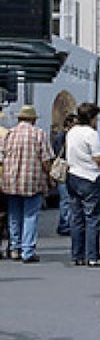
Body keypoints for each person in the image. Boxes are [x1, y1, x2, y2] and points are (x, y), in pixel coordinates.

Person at [0, 105, 56, 263]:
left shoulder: (9, 134)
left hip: (11, 181)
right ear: (32, 119)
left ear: (19, 118)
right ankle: (27, 251)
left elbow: (1, 158)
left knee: (14, 215)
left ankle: (15, 248)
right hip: (32, 181)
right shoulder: (38, 134)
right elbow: (46, 160)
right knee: (30, 215)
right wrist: (50, 177)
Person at [65, 103, 100, 267]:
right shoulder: (91, 134)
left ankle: (77, 254)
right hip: (90, 176)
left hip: (73, 175)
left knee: (77, 217)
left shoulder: (72, 132)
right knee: (93, 218)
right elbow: (98, 158)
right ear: (92, 118)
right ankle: (92, 255)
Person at [51, 114, 77, 236]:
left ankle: (65, 223)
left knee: (66, 198)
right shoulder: (64, 136)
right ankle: (64, 224)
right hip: (65, 169)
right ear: (69, 124)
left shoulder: (60, 136)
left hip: (66, 169)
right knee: (66, 199)